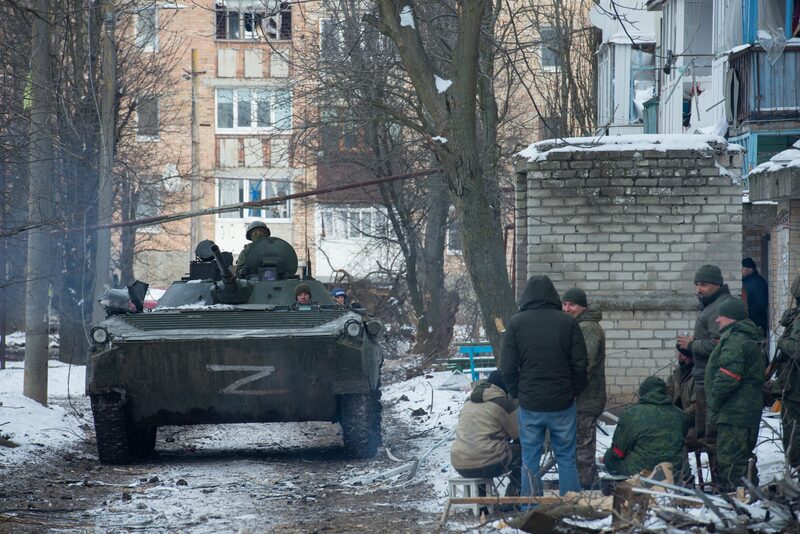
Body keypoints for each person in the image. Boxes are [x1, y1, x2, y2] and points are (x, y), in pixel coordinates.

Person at [501, 275, 588, 497]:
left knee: (530, 457)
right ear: (553, 296)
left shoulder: (516, 323)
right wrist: (575, 391)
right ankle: (570, 503)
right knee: (566, 456)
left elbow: (508, 367)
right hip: (562, 402)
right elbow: (580, 364)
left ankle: (530, 505)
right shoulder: (568, 322)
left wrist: (517, 392)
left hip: (531, 403)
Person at [705, 297, 765, 491]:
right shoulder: (745, 337)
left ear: (731, 317)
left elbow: (728, 377)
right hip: (742, 411)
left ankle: (736, 497)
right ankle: (748, 495)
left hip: (735, 413)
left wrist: (714, 402)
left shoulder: (736, 339)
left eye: (720, 316)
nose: (717, 320)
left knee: (731, 460)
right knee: (740, 457)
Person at [676, 264, 732, 444]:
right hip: (705, 378)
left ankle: (720, 470)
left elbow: (720, 345)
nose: (698, 289)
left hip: (711, 381)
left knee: (710, 438)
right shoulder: (712, 305)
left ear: (717, 284)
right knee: (706, 436)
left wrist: (692, 344)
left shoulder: (719, 306)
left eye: (703, 285)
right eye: (697, 284)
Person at [561, 286, 606, 490]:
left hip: (586, 398)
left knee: (583, 448)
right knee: (580, 444)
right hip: (582, 397)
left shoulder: (588, 328)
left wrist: (569, 389)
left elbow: (585, 364)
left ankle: (586, 490)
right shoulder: (579, 325)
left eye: (572, 305)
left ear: (583, 307)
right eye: (565, 304)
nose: (567, 308)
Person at [602, 376, 691, 478]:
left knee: (610, 458)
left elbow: (618, 451)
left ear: (643, 392)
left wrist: (606, 458)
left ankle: (624, 484)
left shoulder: (632, 414)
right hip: (674, 472)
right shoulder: (680, 414)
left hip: (640, 472)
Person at [450, 371, 521, 496]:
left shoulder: (468, 402)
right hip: (489, 464)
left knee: (481, 450)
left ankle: (483, 504)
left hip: (459, 462)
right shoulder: (503, 404)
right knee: (527, 453)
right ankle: (515, 496)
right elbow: (520, 435)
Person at [776, 276, 800, 467]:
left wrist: (782, 342)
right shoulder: (795, 316)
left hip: (796, 389)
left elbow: (797, 350)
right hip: (792, 386)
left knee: (794, 430)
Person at [666, 352, 697, 444]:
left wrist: (675, 419)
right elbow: (667, 396)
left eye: (684, 353)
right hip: (677, 420)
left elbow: (696, 409)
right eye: (680, 352)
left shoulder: (699, 377)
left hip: (694, 423)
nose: (680, 356)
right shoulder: (676, 375)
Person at [741, 257, 769, 337]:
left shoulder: (757, 282)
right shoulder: (747, 281)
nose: (741, 271)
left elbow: (762, 303)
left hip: (756, 323)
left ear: (750, 269)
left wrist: (749, 313)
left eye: (743, 268)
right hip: (750, 322)